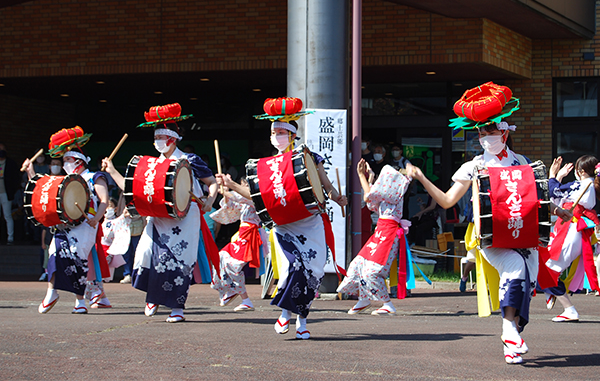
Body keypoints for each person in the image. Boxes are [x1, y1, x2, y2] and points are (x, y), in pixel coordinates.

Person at [406, 82, 571, 364]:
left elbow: (535, 200)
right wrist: (422, 177)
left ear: (505, 132)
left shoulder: (522, 162)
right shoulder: (474, 167)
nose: (485, 137)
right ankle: (508, 330)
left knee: (524, 287)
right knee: (515, 270)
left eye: (490, 131)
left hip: (525, 236)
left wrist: (559, 210)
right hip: (493, 237)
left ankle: (512, 341)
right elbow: (447, 201)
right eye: (481, 132)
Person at [216, 97, 347, 339]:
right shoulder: (264, 166)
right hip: (284, 225)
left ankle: (299, 319)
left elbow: (325, 185)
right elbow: (256, 197)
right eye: (274, 132)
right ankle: (293, 318)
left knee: (313, 271)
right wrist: (232, 183)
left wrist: (337, 197)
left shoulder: (308, 157)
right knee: (293, 268)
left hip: (310, 222)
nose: (277, 136)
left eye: (282, 132)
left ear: (292, 135)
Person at [103, 103, 219, 323]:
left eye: (161, 137)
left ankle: (177, 307)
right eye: (155, 137)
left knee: (179, 260)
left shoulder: (190, 160)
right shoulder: (152, 165)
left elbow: (211, 183)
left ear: (172, 139)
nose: (157, 142)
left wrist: (209, 200)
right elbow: (132, 190)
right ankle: (153, 297)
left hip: (185, 217)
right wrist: (113, 171)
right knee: (146, 254)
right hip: (158, 218)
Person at [22, 126, 111, 314]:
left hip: (86, 225)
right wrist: (30, 172)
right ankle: (51, 292)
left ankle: (80, 301)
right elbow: (43, 191)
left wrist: (96, 217)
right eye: (64, 160)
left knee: (77, 260)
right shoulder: (65, 181)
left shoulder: (94, 177)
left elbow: (104, 201)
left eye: (68, 160)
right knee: (54, 254)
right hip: (64, 224)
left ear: (79, 160)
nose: (64, 164)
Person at [337, 160, 411, 315]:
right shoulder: (386, 195)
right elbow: (371, 200)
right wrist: (368, 178)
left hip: (389, 234)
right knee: (357, 264)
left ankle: (387, 303)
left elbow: (369, 196)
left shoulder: (395, 191)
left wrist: (362, 177)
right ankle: (363, 299)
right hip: (380, 232)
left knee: (372, 271)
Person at [538, 155, 600, 322]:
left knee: (546, 271)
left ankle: (568, 307)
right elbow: (556, 198)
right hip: (569, 230)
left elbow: (552, 192)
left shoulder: (582, 185)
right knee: (546, 270)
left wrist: (553, 175)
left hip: (570, 231)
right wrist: (558, 177)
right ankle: (553, 295)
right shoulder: (587, 185)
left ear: (580, 171)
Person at [210, 178, 268, 312]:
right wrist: (225, 193)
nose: (242, 188)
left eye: (244, 185)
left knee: (233, 264)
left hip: (250, 235)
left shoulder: (256, 197)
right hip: (243, 234)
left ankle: (240, 295)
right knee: (220, 257)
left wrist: (227, 190)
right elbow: (231, 207)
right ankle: (234, 292)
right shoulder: (244, 200)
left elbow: (239, 197)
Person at [0, 148, 20, 245]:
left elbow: (15, 178)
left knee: (7, 216)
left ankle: (10, 238)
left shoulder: (10, 163)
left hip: (6, 193)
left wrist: (12, 191)